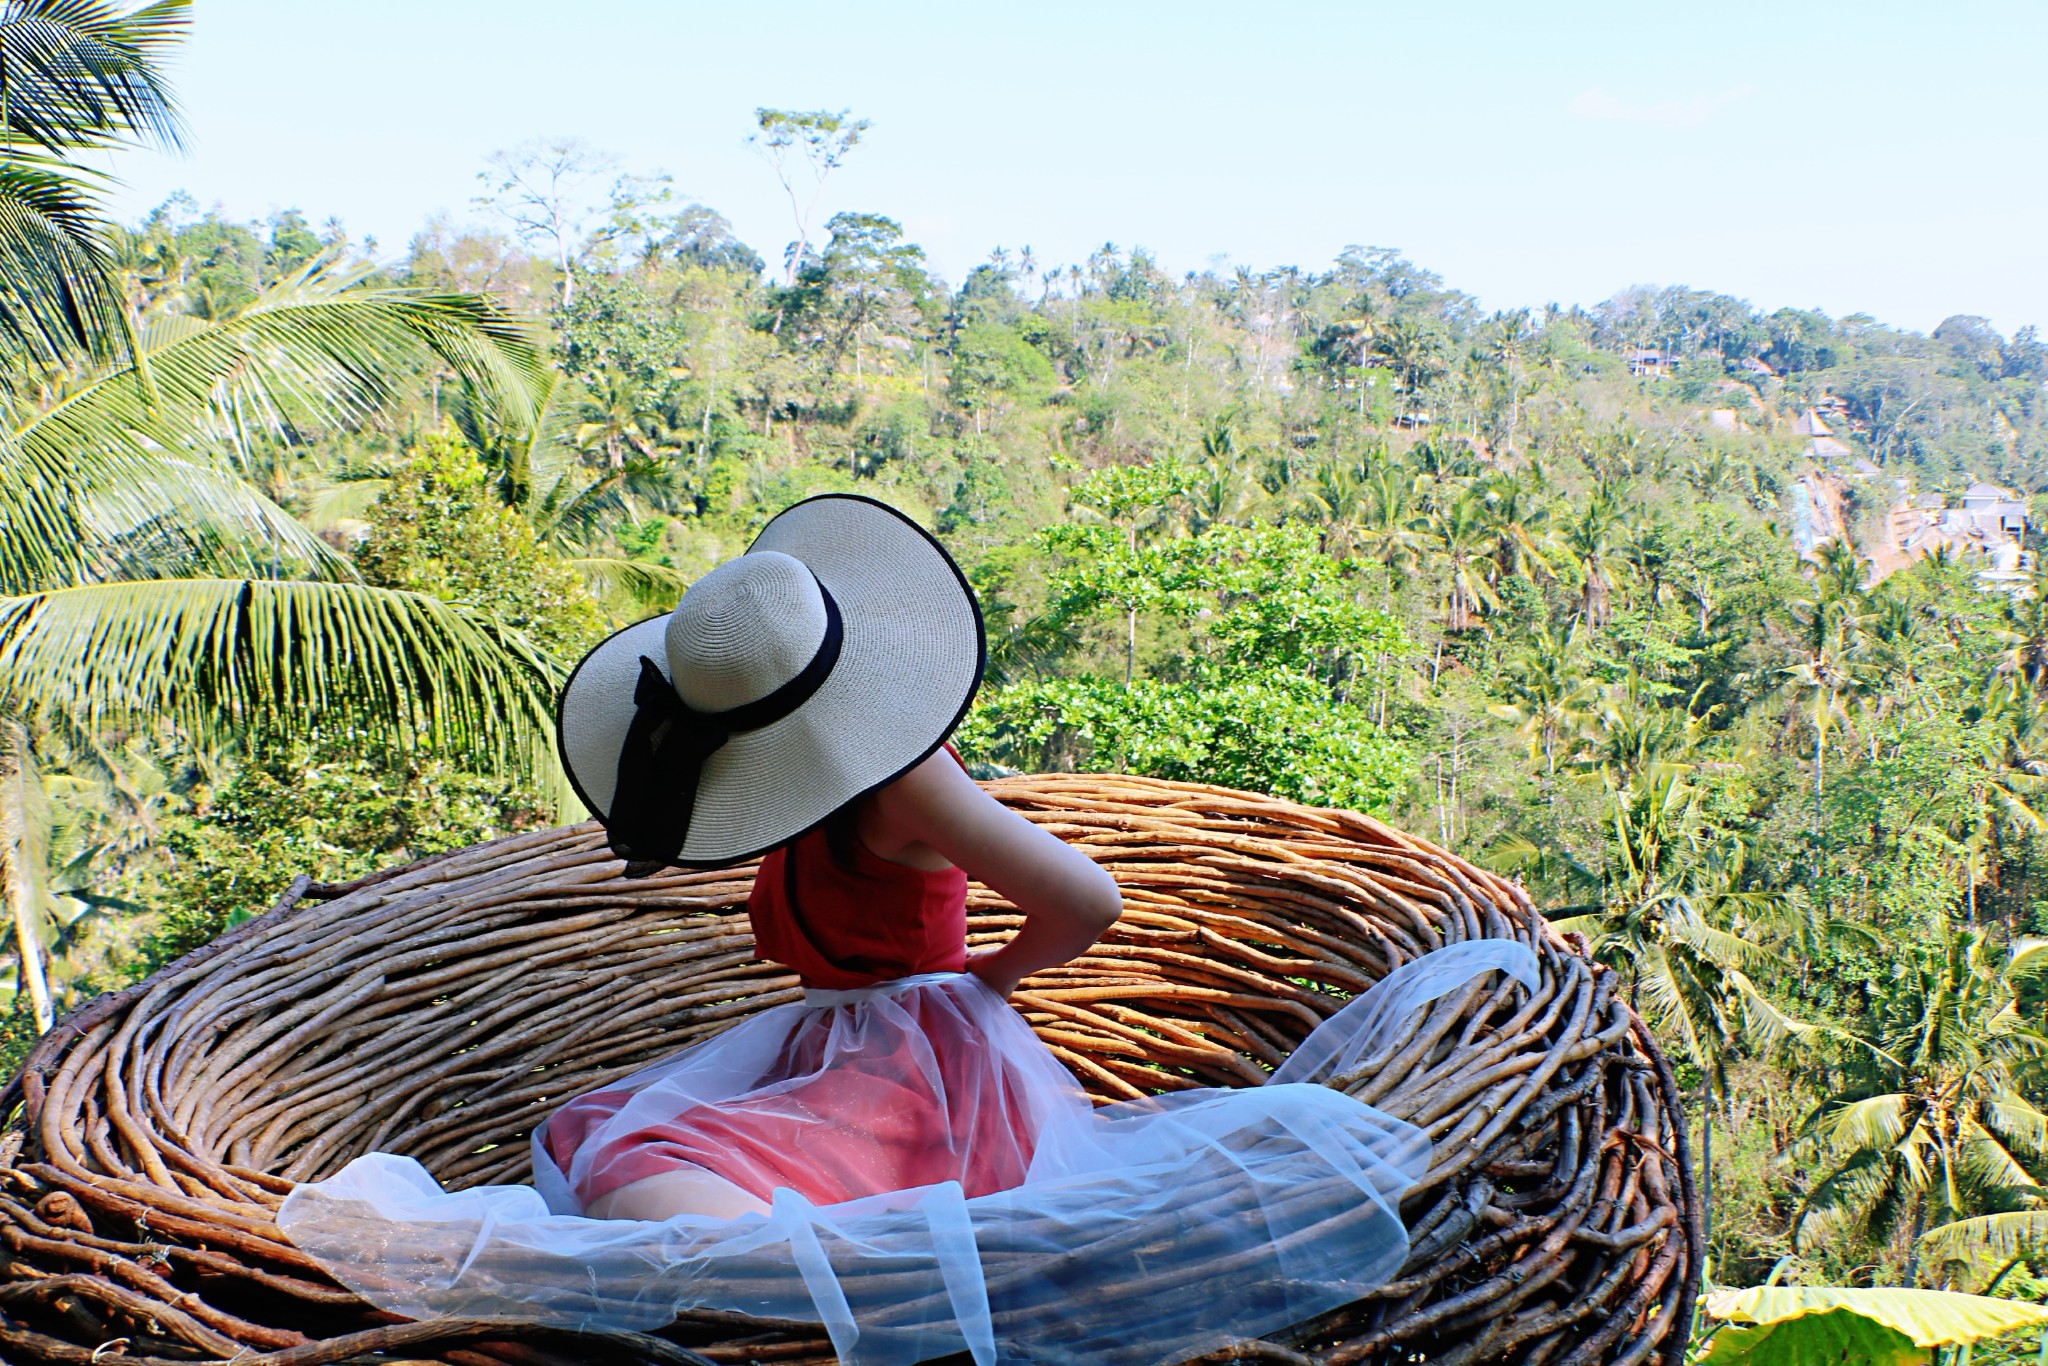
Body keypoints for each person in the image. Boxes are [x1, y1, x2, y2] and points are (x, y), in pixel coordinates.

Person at [279, 494, 1537, 1366]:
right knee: (613, 1157)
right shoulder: (794, 779)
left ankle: (814, 1289)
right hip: (841, 1049)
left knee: (640, 1187)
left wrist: (982, 989)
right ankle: (792, 1289)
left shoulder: (905, 785)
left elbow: (1083, 899)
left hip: (912, 1062)